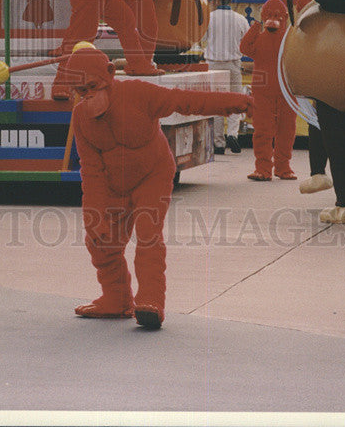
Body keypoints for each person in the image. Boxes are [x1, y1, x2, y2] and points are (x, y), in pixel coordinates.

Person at [66, 46, 253, 329]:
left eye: (93, 87)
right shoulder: (81, 118)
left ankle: (150, 300)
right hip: (114, 185)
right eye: (81, 90)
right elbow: (90, 170)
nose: (88, 95)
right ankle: (116, 299)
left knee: (148, 233)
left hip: (151, 175)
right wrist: (95, 214)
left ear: (108, 74)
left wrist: (233, 102)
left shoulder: (137, 93)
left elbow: (184, 101)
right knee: (99, 241)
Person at [240, 0, 296, 177]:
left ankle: (282, 167)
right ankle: (263, 168)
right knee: (263, 131)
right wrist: (256, 26)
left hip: (286, 92)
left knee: (286, 131)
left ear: (284, 17)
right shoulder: (261, 38)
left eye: (277, 16)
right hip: (263, 92)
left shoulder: (291, 38)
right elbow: (244, 48)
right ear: (264, 17)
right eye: (270, 15)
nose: (274, 19)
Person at [204, 0, 250, 155]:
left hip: (214, 65)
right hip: (233, 64)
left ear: (216, 0)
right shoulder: (240, 19)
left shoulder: (209, 18)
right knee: (236, 101)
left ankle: (219, 143)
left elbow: (201, 39)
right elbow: (246, 43)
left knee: (217, 104)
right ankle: (232, 134)